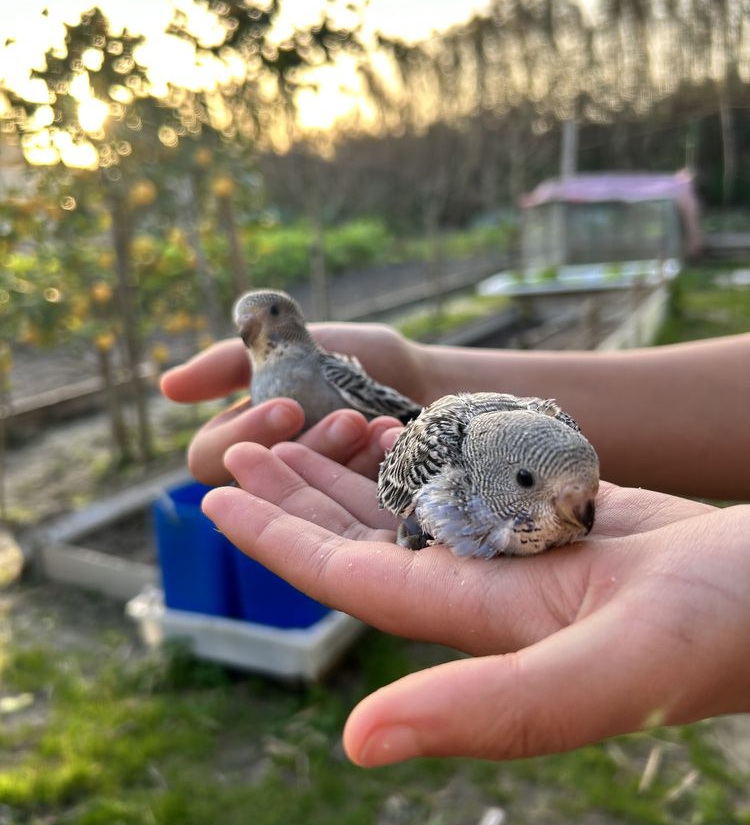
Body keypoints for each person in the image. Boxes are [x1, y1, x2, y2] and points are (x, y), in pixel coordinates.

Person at [161, 327, 750, 767]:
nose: (583, 512)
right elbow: (406, 491)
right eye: (530, 484)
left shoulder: (553, 437)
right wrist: (403, 380)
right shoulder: (441, 456)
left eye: (584, 491)